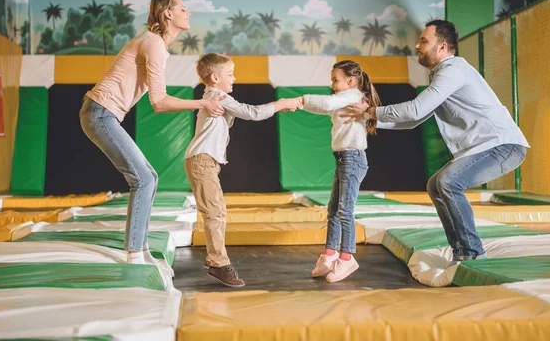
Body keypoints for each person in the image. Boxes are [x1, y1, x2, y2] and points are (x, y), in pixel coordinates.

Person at [342, 20, 530, 263]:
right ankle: (461, 251)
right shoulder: (443, 74)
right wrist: (370, 120)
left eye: (423, 41)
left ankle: (473, 254)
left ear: (441, 47)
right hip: (485, 148)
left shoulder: (452, 71)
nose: (417, 45)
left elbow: (414, 109)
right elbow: (414, 119)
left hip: (503, 146)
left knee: (449, 183)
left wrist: (372, 111)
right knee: (436, 186)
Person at [80, 0, 225, 266]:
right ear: (167, 13)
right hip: (100, 113)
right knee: (143, 179)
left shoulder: (156, 44)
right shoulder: (153, 43)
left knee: (150, 177)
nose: (188, 13)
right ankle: (135, 253)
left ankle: (141, 249)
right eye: (183, 8)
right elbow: (159, 102)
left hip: (102, 113)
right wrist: (202, 103)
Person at [185, 52, 302, 287]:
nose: (234, 78)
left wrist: (278, 108)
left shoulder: (215, 94)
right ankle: (218, 263)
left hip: (205, 161)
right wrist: (281, 103)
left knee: (216, 212)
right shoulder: (217, 95)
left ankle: (215, 261)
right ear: (215, 77)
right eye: (230, 74)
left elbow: (247, 112)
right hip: (201, 161)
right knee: (215, 213)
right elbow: (252, 113)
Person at [301, 60, 381, 282]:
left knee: (345, 210)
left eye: (336, 80)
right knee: (333, 210)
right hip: (344, 157)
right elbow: (323, 107)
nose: (333, 84)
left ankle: (347, 258)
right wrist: (301, 105)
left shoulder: (353, 95)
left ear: (351, 81)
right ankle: (329, 254)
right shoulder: (344, 99)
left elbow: (326, 103)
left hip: (353, 158)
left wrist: (301, 99)